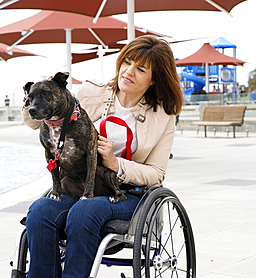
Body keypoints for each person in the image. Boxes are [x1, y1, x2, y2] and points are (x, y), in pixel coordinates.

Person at [21, 35, 184, 278]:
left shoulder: (162, 115)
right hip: (78, 185)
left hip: (126, 194)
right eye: (127, 62)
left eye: (140, 69)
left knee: (85, 211)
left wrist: (115, 163)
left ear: (153, 80)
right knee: (41, 210)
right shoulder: (91, 92)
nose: (128, 71)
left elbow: (157, 173)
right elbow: (34, 123)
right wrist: (39, 95)